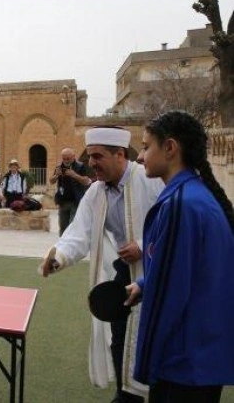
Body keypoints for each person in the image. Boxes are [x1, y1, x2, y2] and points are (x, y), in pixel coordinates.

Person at [38, 126, 164, 403]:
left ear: (120, 154)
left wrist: (142, 246)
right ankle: (125, 394)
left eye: (97, 156)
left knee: (154, 338)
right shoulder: (96, 192)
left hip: (158, 272)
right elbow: (78, 232)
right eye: (90, 156)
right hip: (123, 272)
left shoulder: (150, 179)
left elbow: (173, 223)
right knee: (120, 336)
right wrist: (57, 256)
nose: (91, 163)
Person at [124, 111, 234, 403]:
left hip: (182, 361)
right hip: (203, 356)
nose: (140, 156)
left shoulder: (180, 205)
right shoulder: (196, 196)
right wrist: (145, 283)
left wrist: (146, 363)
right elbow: (190, 267)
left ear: (170, 148)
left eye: (146, 147)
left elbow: (170, 294)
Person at [49, 148, 92, 235]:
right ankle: (62, 247)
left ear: (73, 157)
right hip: (63, 201)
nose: (66, 161)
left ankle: (71, 246)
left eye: (68, 158)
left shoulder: (80, 166)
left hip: (75, 201)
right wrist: (56, 175)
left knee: (73, 226)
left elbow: (87, 181)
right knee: (63, 226)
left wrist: (74, 175)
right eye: (64, 158)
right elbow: (51, 181)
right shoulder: (59, 167)